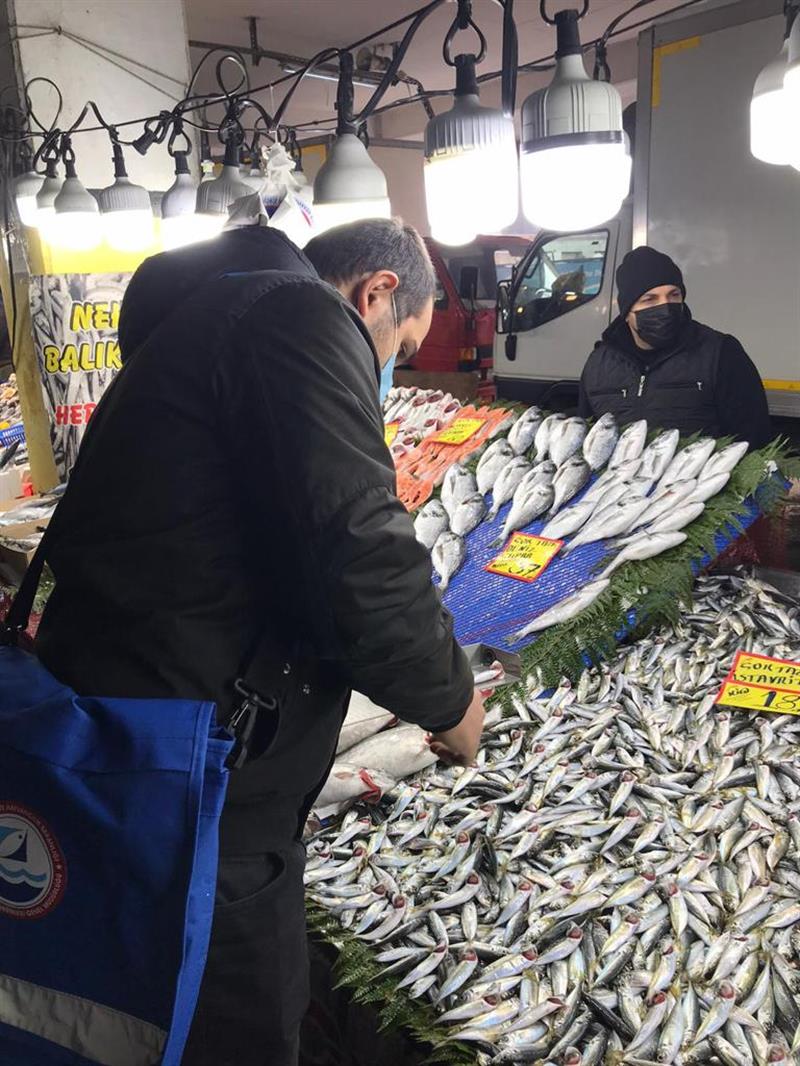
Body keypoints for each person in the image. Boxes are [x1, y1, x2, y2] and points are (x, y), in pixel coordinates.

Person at [35, 217, 485, 1066]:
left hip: (121, 752)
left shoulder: (201, 325)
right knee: (232, 1032)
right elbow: (359, 549)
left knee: (126, 1017)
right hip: (202, 791)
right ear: (376, 294)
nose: (392, 370)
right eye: (402, 348)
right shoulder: (299, 319)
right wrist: (452, 702)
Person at [578, 245, 772, 448]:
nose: (665, 306)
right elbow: (588, 443)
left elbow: (754, 438)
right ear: (627, 311)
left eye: (673, 295)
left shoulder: (721, 353)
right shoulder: (598, 365)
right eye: (650, 299)